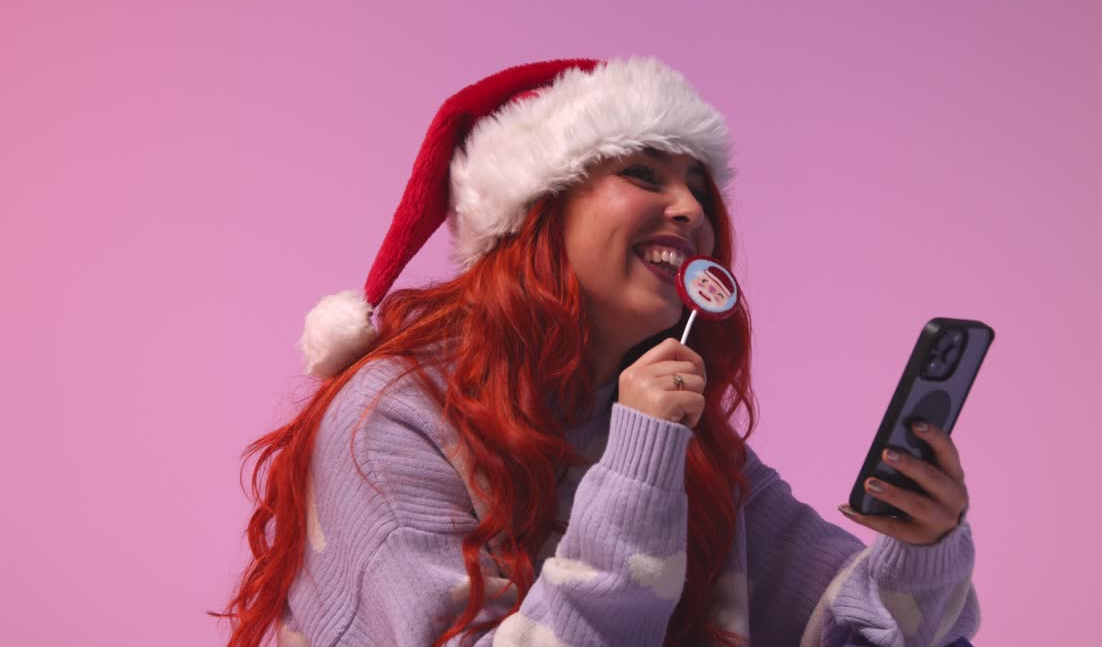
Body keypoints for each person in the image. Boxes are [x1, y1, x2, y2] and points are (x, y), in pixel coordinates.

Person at [218, 57, 979, 647]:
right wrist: (639, 467)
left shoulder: (681, 440)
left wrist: (924, 548)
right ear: (536, 211)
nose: (690, 209)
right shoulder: (393, 416)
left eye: (701, 191)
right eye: (642, 175)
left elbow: (836, 624)